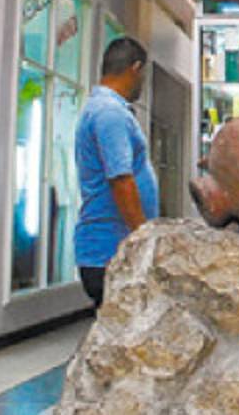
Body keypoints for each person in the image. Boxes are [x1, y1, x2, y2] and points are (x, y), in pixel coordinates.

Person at [74, 37, 158, 308]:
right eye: (143, 75)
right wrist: (143, 239)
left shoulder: (105, 109)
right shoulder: (110, 114)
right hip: (111, 251)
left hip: (112, 250)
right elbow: (121, 180)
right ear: (136, 68)